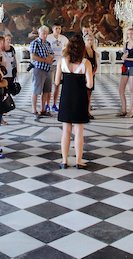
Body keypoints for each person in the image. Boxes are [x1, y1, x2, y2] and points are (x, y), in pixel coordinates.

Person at [56, 35, 94, 169]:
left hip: (66, 97)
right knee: (79, 131)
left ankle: (64, 161)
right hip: (80, 98)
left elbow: (56, 82)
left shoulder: (62, 61)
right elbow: (90, 84)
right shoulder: (86, 63)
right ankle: (78, 161)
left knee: (66, 131)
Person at [30, 26, 55, 119]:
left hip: (48, 69)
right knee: (36, 90)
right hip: (39, 69)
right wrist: (45, 60)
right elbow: (33, 56)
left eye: (46, 33)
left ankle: (43, 109)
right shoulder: (35, 43)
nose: (45, 35)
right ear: (39, 33)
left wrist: (50, 57)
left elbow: (52, 53)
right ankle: (34, 110)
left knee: (46, 91)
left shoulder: (47, 43)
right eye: (43, 33)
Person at [117, 28, 133, 117]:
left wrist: (128, 58)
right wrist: (124, 57)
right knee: (121, 89)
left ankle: (130, 111)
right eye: (128, 34)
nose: (129, 35)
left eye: (131, 33)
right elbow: (123, 55)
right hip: (125, 66)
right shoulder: (126, 44)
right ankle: (124, 110)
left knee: (132, 90)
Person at [46, 23, 68, 113]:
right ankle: (47, 104)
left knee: (57, 84)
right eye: (56, 28)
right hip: (51, 63)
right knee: (49, 86)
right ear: (53, 29)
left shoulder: (63, 38)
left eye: (59, 28)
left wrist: (64, 53)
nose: (58, 30)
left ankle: (54, 104)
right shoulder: (48, 38)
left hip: (60, 64)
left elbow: (68, 46)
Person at [83, 33, 98, 119]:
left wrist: (93, 72)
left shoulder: (93, 52)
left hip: (91, 74)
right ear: (84, 41)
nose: (89, 41)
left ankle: (88, 111)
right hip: (84, 75)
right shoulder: (83, 51)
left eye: (91, 40)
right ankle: (83, 111)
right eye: (88, 40)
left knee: (89, 94)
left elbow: (95, 64)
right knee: (84, 93)